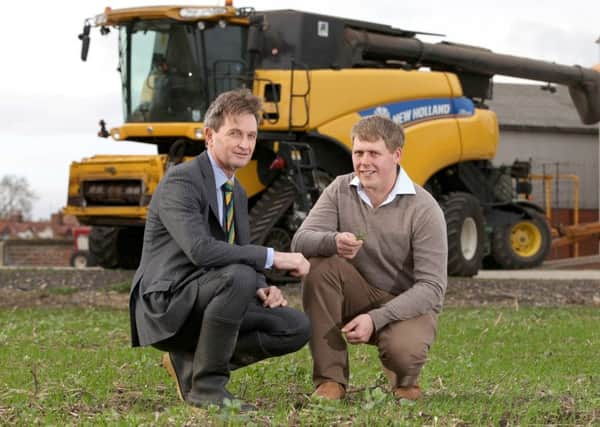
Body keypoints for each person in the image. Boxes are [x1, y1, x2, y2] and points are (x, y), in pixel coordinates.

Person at [129, 89, 311, 410]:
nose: (245, 144)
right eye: (235, 134)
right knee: (239, 276)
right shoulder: (181, 183)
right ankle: (207, 388)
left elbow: (236, 250)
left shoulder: (235, 191)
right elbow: (202, 251)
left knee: (294, 326)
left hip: (210, 297)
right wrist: (273, 257)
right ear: (209, 136)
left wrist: (263, 286)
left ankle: (191, 363)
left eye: (251, 135)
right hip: (167, 304)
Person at [291, 115, 447, 401]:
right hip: (358, 291)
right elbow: (300, 240)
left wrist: (376, 319)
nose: (364, 162)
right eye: (358, 152)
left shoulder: (424, 208)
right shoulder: (340, 189)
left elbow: (432, 288)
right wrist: (333, 241)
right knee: (318, 265)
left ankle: (404, 381)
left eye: (374, 153)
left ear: (396, 155)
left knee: (403, 353)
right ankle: (330, 381)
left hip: (406, 302)